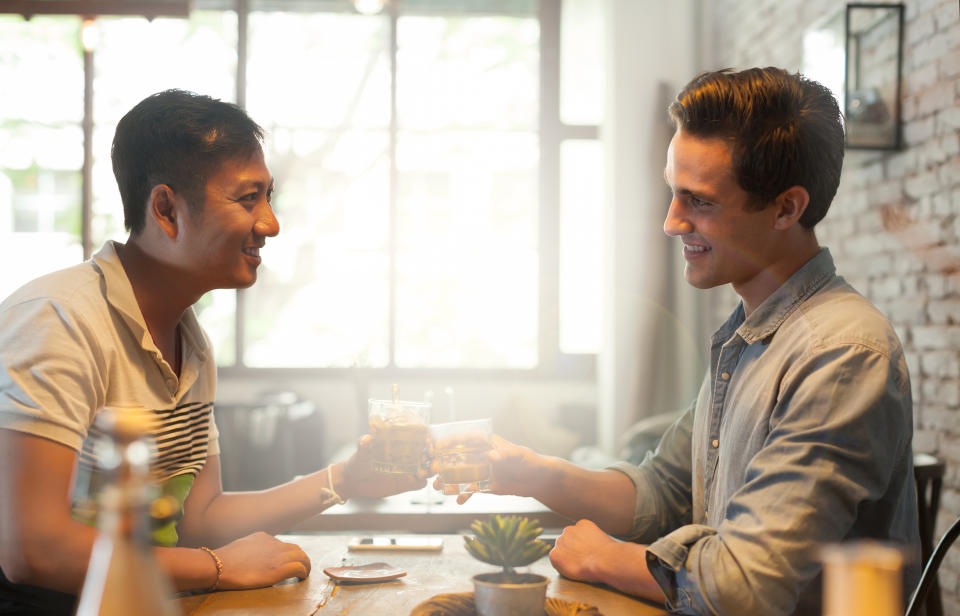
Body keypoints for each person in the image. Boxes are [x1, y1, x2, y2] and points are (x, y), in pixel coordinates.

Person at [460, 67, 921, 615]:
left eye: (698, 201)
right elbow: (663, 493)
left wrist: (606, 558)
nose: (671, 222)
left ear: (785, 208)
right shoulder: (748, 337)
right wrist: (525, 471)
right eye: (671, 194)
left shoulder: (840, 355)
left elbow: (744, 586)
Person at [0, 90, 425, 615]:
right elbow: (32, 550)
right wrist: (218, 568)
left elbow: (201, 518)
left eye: (269, 197)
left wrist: (346, 480)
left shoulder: (189, 339)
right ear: (166, 209)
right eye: (248, 199)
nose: (270, 224)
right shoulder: (57, 318)